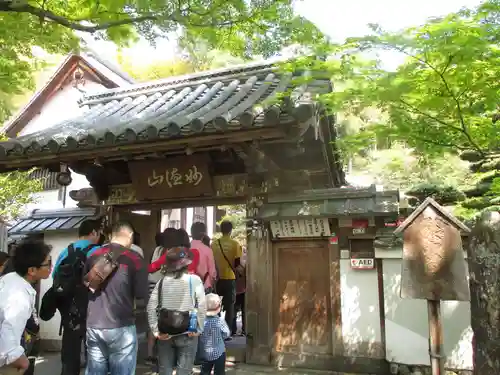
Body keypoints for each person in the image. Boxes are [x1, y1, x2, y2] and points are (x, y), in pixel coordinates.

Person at [84, 221, 148, 375]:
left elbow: (86, 285)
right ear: (130, 235)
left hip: (94, 325)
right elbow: (141, 294)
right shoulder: (135, 259)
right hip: (121, 327)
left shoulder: (92, 255)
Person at [52, 219, 102, 375]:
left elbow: (55, 276)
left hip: (68, 306)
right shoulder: (98, 251)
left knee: (70, 348)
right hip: (91, 305)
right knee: (94, 350)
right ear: (94, 232)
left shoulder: (66, 251)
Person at [147, 247, 206, 375]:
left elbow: (151, 307)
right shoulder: (194, 280)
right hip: (187, 333)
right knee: (184, 371)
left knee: (165, 371)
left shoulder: (161, 282)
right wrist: (199, 328)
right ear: (187, 264)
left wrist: (156, 331)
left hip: (165, 333)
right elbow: (202, 306)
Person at [0, 240, 52, 374]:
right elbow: (8, 334)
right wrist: (22, 361)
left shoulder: (11, 278)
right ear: (32, 270)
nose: (51, 267)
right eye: (48, 263)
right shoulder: (19, 296)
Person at [211, 221, 243, 335]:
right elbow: (237, 264)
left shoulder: (214, 244)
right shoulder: (235, 244)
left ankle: (216, 331)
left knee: (215, 306)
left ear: (220, 230)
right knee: (230, 307)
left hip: (217, 279)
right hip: (230, 278)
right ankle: (227, 332)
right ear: (231, 230)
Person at [199, 294, 230, 375]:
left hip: (205, 352)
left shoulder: (201, 321)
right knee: (219, 372)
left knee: (204, 371)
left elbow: (198, 333)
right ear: (219, 308)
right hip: (219, 352)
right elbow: (226, 333)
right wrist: (221, 337)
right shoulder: (220, 321)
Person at [190, 222, 217, 293]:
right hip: (204, 286)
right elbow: (212, 272)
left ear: (191, 233)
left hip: (187, 287)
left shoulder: (184, 248)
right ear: (204, 234)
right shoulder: (207, 250)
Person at [232, 246, 246, 336]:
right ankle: (244, 329)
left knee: (233, 310)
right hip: (244, 290)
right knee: (244, 310)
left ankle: (233, 329)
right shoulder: (245, 263)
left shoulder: (233, 264)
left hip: (235, 290)